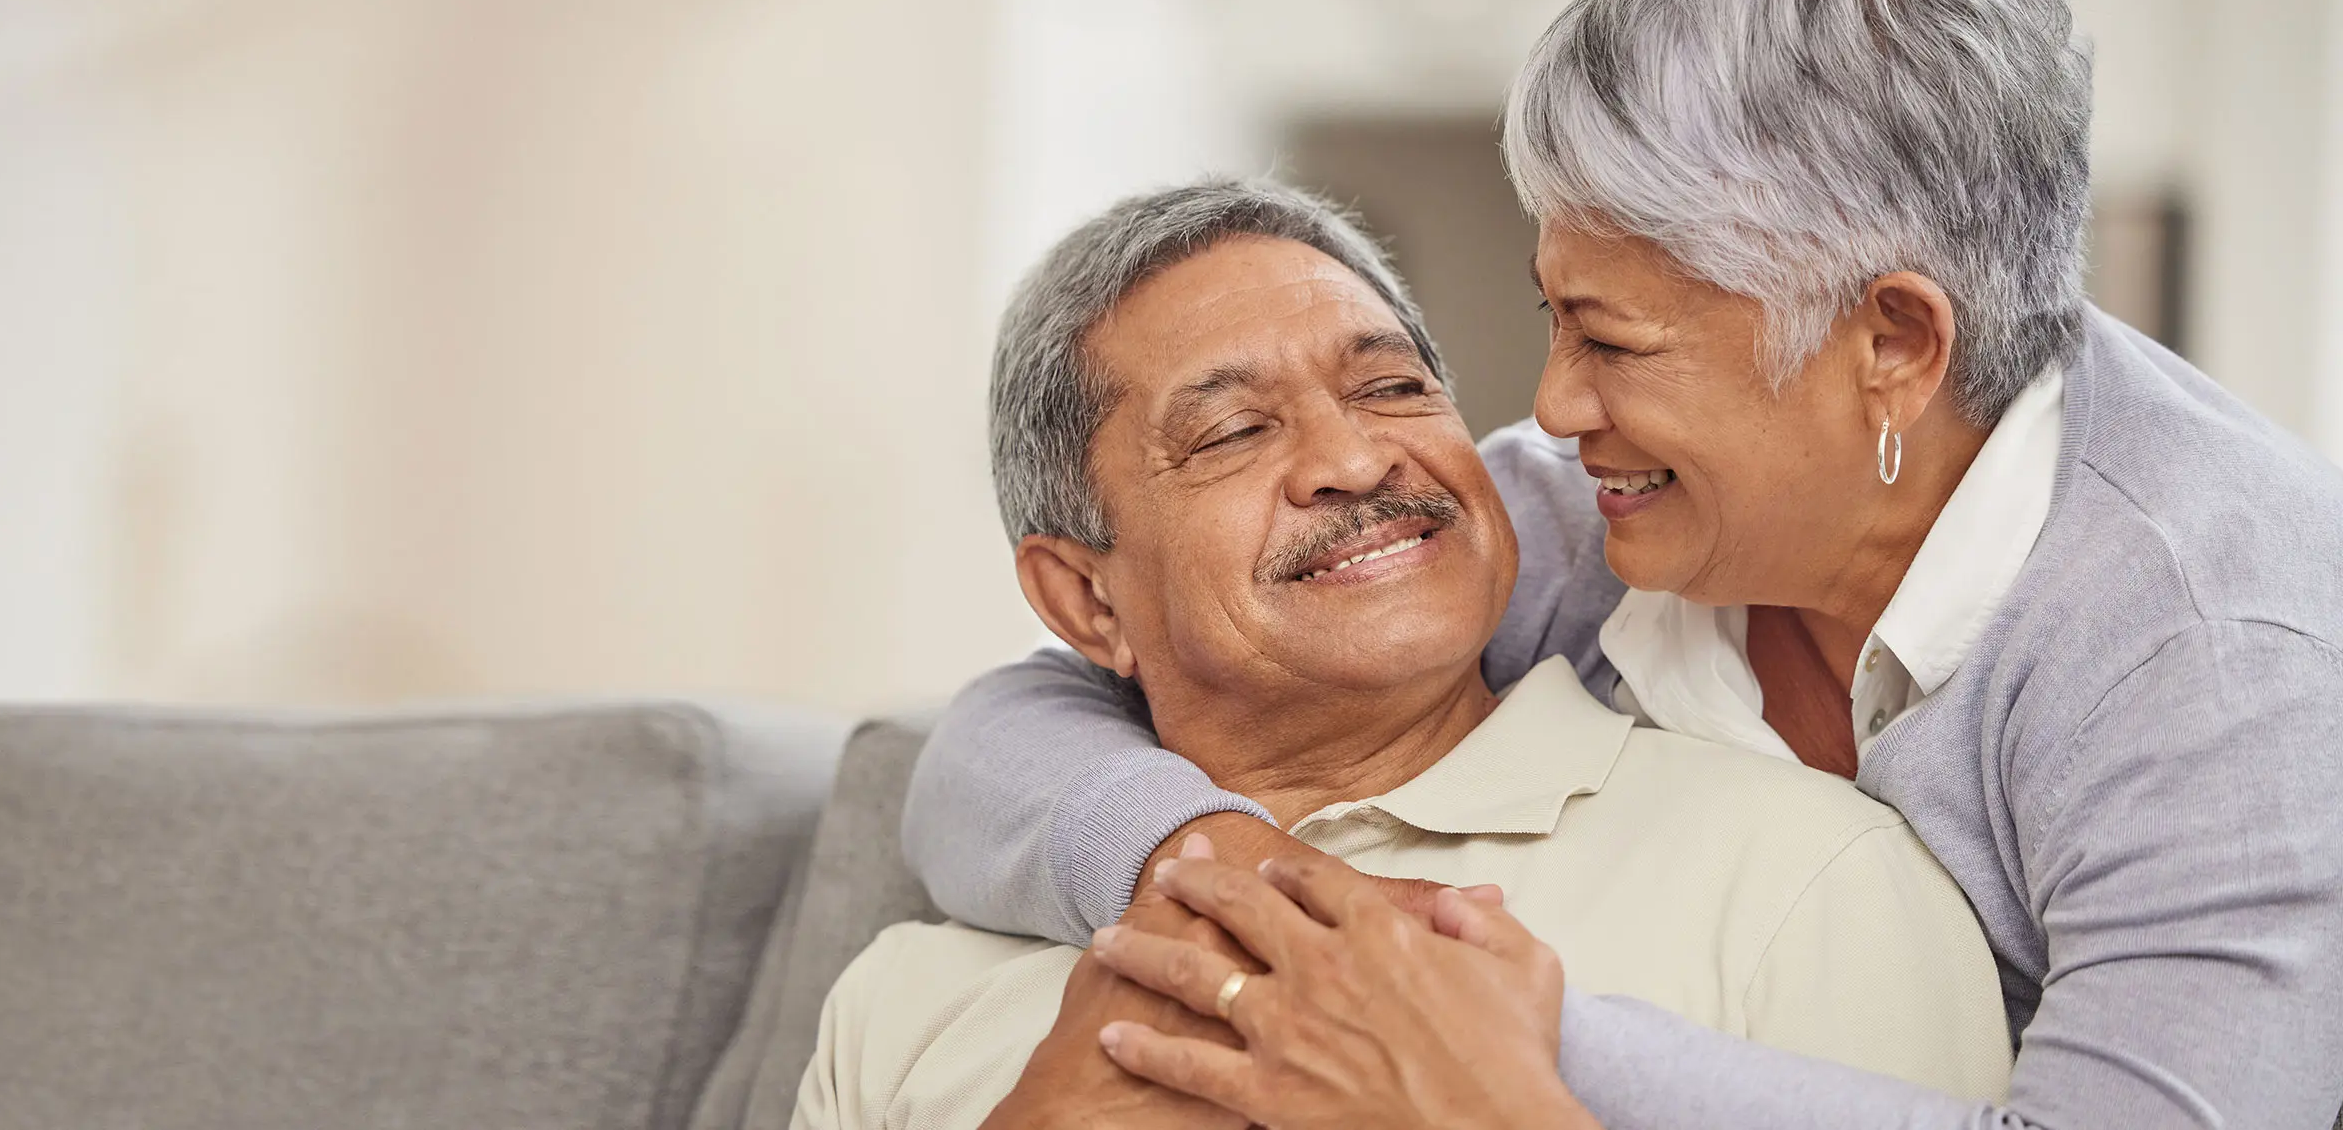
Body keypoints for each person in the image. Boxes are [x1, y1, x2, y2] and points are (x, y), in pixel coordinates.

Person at [902, 0, 2343, 1130]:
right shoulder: (1600, 524)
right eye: (1552, 317)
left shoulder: (2221, 654)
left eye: (1613, 341)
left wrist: (1462, 1031)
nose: (1552, 409)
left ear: (1893, 344)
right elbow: (1015, 724)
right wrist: (1205, 863)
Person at [793, 181, 2010, 1130]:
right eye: (1233, 432)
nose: (1359, 460)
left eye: (1391, 387)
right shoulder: (904, 1000)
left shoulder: (1803, 877)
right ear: (1083, 599)